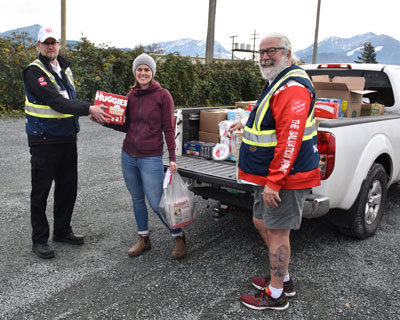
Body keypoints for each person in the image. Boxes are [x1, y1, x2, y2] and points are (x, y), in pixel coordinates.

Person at [230, 32, 321, 311]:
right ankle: (283, 277)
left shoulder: (292, 87)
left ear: (288, 53)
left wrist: (275, 182)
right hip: (269, 175)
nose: (265, 56)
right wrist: (246, 124)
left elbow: (290, 138)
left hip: (285, 179)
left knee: (279, 233)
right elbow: (271, 121)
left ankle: (276, 294)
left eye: (272, 51)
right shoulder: (277, 82)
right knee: (261, 221)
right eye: (262, 52)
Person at [23, 27, 111, 259]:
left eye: (54, 42)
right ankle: (39, 239)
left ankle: (62, 231)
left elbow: (69, 101)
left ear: (59, 44)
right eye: (46, 43)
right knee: (40, 192)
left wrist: (88, 112)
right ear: (38, 46)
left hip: (67, 139)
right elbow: (57, 102)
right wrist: (88, 108)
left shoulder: (65, 68)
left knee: (67, 188)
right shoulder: (35, 72)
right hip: (44, 140)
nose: (50, 46)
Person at [98, 53, 186, 259]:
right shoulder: (130, 96)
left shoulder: (163, 95)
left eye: (147, 69)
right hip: (128, 155)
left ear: (152, 72)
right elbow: (126, 126)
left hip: (151, 157)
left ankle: (179, 236)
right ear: (135, 73)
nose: (143, 73)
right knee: (137, 199)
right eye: (139, 69)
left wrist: (172, 157)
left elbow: (168, 128)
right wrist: (105, 121)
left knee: (156, 203)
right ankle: (143, 238)